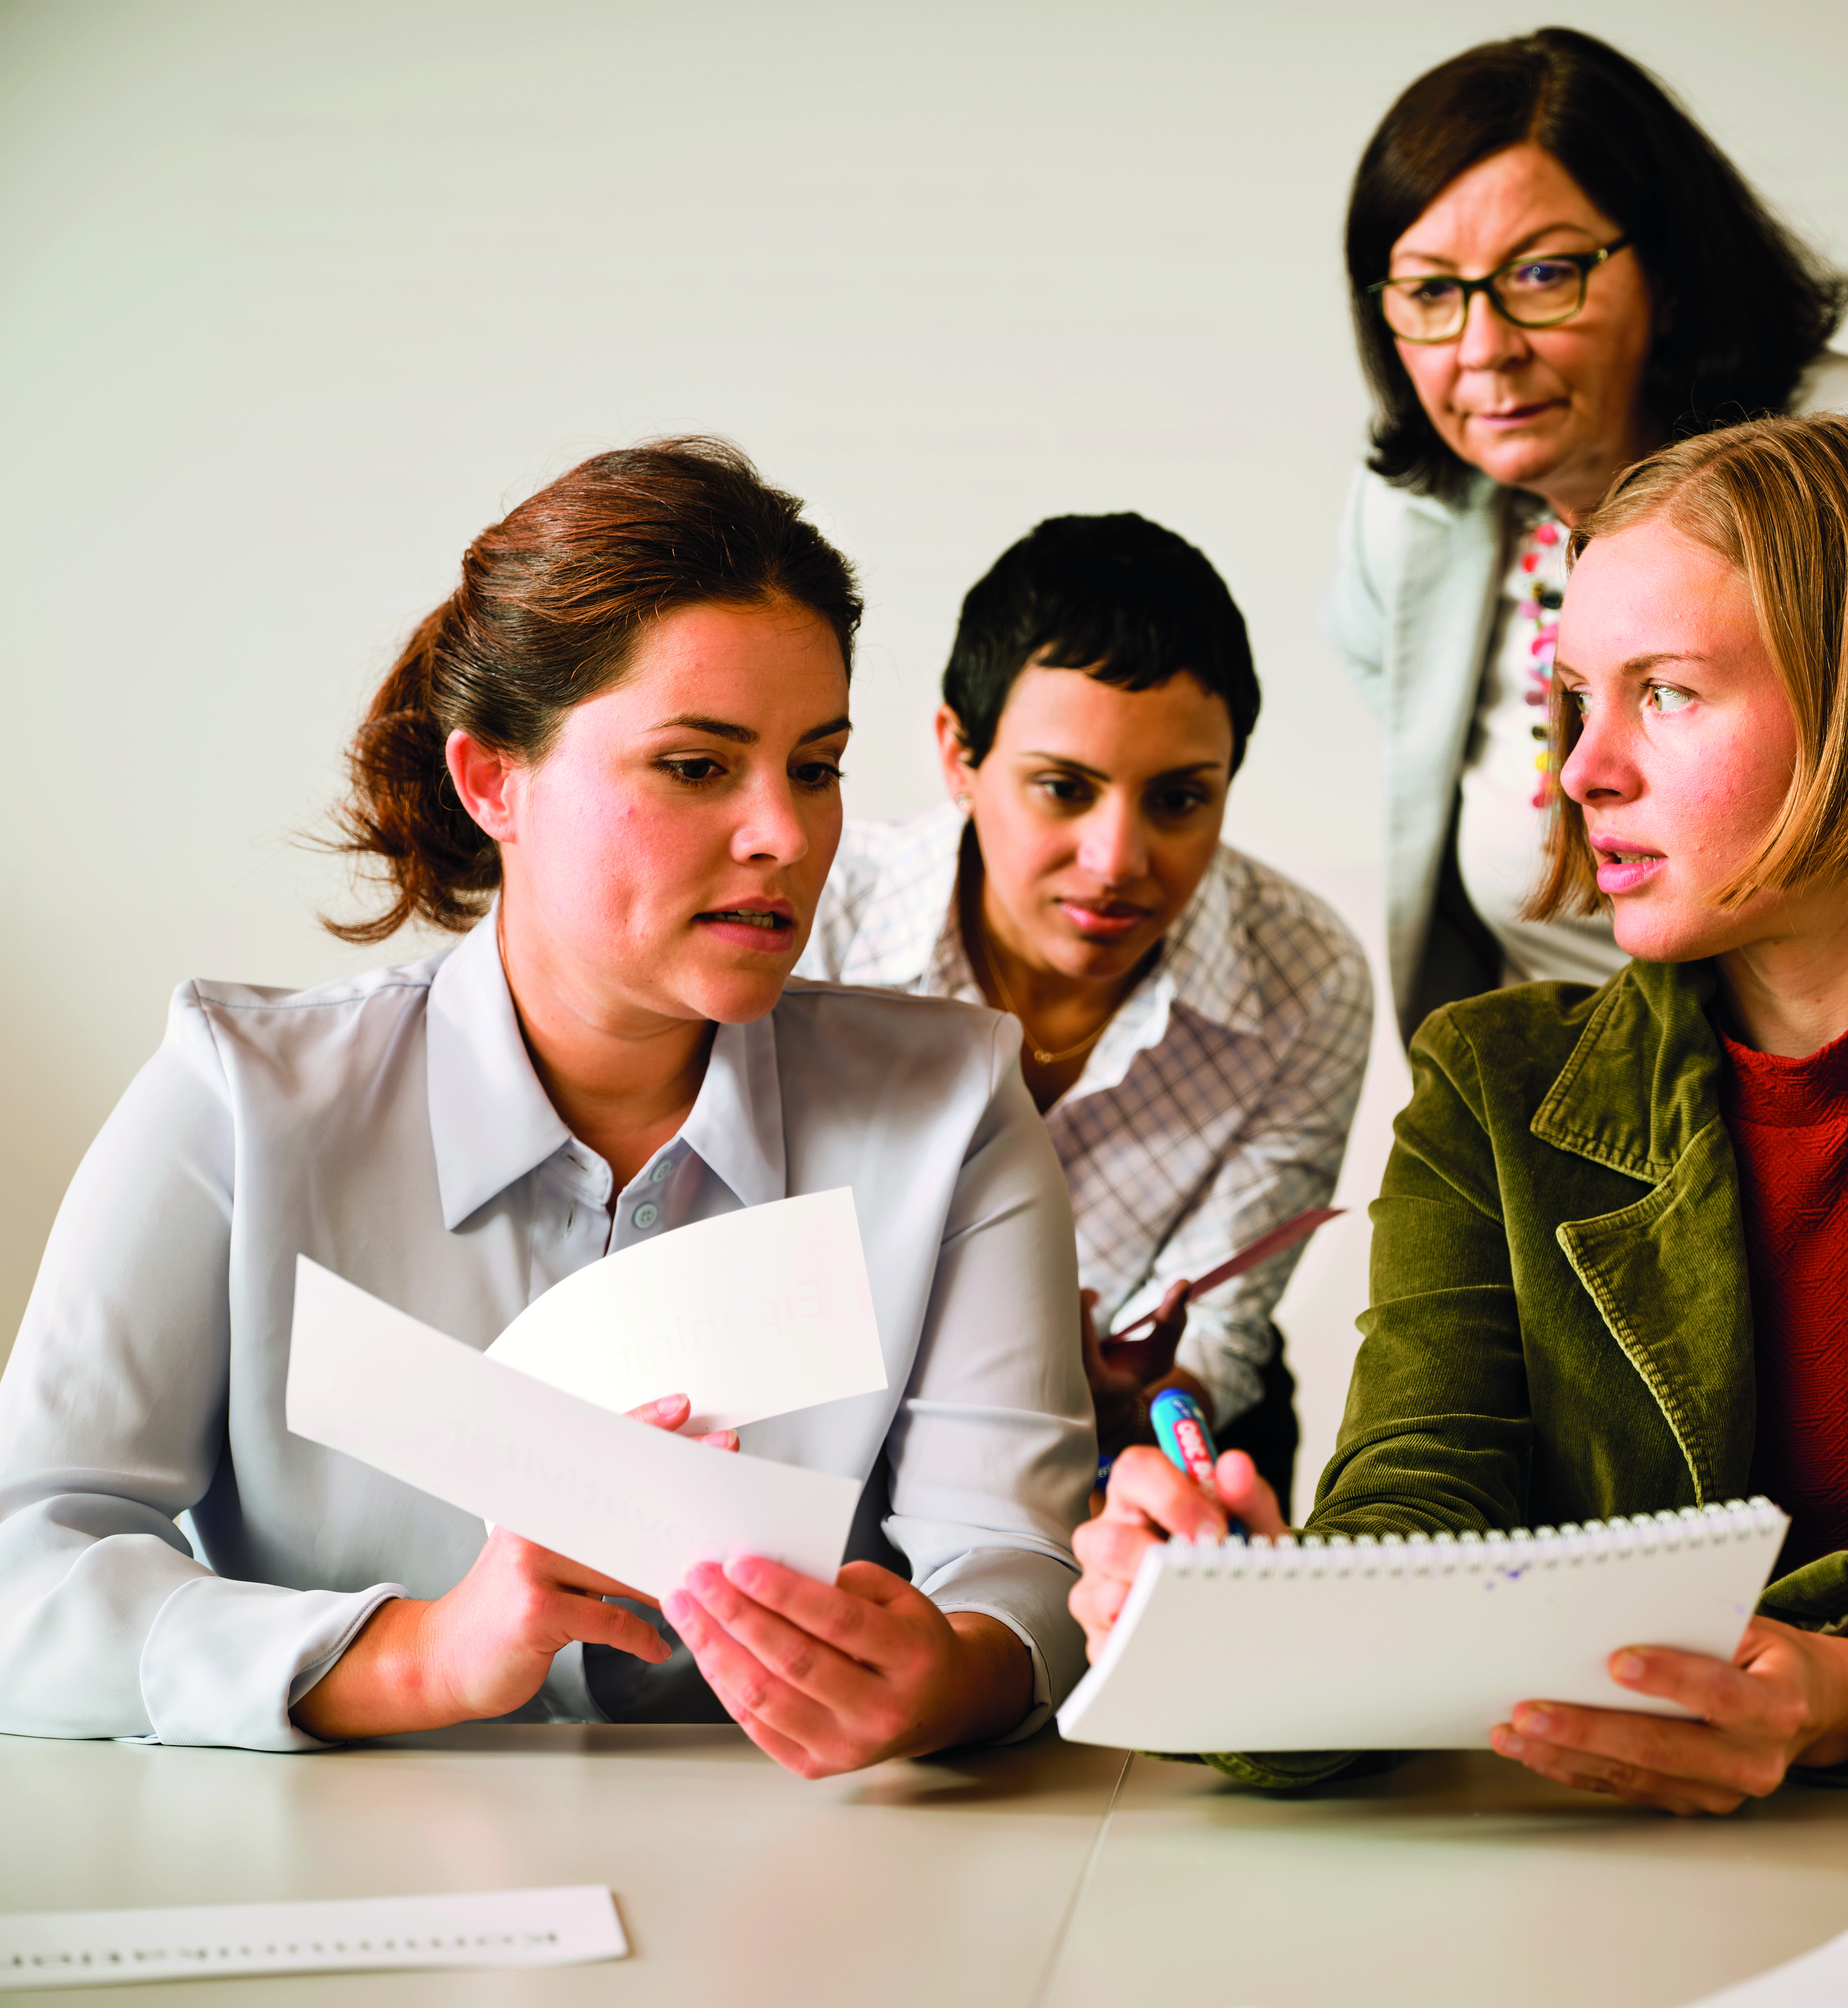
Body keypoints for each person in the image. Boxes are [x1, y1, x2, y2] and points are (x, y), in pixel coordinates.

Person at [1075, 414, 1848, 1811]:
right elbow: (1415, 1510)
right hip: (1613, 1875)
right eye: (1573, 699)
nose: (1581, 771)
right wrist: (1235, 1635)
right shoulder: (1491, 1079)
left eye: (1665, 694)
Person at [0, 440, 1096, 1775]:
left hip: (805, 1912)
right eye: (698, 766)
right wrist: (414, 1652)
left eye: (815, 766)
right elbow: (22, 1578)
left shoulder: (954, 1108)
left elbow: (1015, 1564)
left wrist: (955, 1675)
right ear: (491, 782)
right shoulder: (239, 1102)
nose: (787, 836)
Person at [1330, 26, 1848, 1042]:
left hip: (1841, 1082)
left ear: (1666, 275)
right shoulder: (1414, 514)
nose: (1483, 349)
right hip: (1555, 1094)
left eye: (1541, 274)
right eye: (1432, 293)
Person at [803, 515, 1372, 1500]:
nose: (1118, 862)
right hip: (835, 1413)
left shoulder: (1306, 974)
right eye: (1064, 789)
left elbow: (1226, 1329)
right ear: (958, 755)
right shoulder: (819, 917)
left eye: (1179, 800)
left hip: (1139, 1431)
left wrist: (1138, 1405)